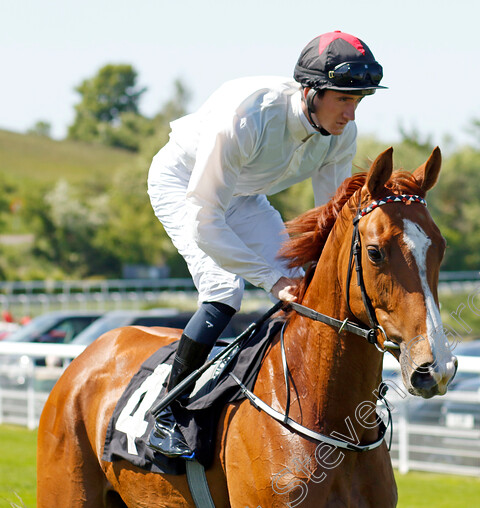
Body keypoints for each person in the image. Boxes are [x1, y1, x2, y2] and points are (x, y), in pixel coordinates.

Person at [145, 31, 386, 457]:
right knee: (224, 289)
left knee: (306, 286)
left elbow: (330, 221)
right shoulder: (246, 116)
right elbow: (206, 222)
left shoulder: (339, 134)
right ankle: (167, 410)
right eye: (343, 100)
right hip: (186, 186)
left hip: (244, 196)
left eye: (359, 100)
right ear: (311, 91)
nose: (351, 114)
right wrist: (270, 280)